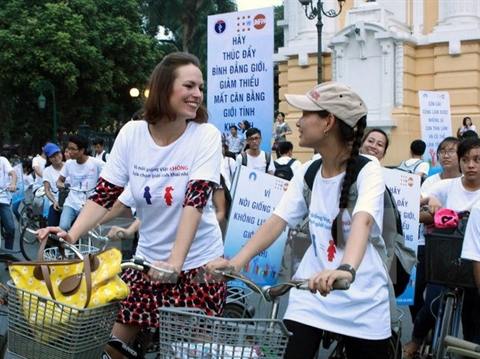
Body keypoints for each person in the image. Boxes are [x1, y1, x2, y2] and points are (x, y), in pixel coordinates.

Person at [38, 52, 225, 359]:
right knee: (112, 347)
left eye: (200, 88)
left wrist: (176, 262)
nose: (197, 95)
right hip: (146, 264)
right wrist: (70, 234)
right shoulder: (132, 133)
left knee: (189, 352)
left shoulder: (205, 136)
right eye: (189, 86)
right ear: (165, 88)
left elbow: (196, 198)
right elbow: (104, 194)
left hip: (198, 266)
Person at [209, 82, 391, 358]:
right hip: (310, 292)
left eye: (306, 113)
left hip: (362, 298)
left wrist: (346, 269)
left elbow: (363, 221)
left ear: (328, 121)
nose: (298, 121)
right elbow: (277, 221)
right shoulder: (308, 171)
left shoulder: (369, 170)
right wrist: (237, 261)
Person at [402, 137, 462, 358]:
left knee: (438, 301)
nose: (446, 155)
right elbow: (415, 211)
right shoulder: (431, 182)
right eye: (442, 151)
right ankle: (418, 337)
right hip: (428, 245)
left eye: (452, 151)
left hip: (461, 250)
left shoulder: (467, 182)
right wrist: (436, 215)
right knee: (418, 297)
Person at [417, 137, 480, 348]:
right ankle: (414, 342)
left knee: (473, 317)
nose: (471, 165)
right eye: (465, 159)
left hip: (474, 265)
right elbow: (415, 204)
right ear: (460, 162)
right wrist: (429, 202)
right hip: (446, 260)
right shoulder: (446, 186)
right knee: (430, 306)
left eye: (477, 159)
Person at [56, 135, 104, 231]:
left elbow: (108, 178)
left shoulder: (97, 163)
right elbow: (59, 181)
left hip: (89, 204)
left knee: (86, 231)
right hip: (71, 202)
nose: (69, 152)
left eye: (73, 149)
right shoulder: (69, 164)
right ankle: (65, 245)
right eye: (68, 148)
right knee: (63, 227)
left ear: (82, 150)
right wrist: (63, 185)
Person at [42, 143, 65, 226]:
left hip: (72, 204)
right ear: (49, 159)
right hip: (56, 204)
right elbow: (47, 190)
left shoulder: (69, 165)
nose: (56, 157)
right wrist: (54, 201)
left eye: (57, 154)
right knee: (52, 229)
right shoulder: (47, 171)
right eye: (52, 156)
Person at [0, 155, 17, 249]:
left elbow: (13, 173)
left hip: (2, 199)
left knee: (10, 228)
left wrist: (13, 184)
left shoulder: (2, 160)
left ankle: (8, 253)